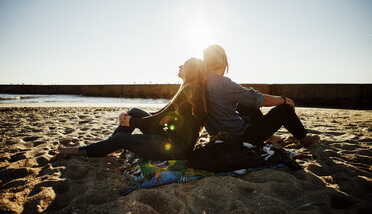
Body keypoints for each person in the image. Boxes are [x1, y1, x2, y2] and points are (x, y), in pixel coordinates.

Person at [58, 57, 207, 160]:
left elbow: (159, 119)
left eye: (184, 65)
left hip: (176, 149)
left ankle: (79, 150)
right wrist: (131, 119)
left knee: (119, 138)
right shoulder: (187, 89)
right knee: (135, 111)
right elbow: (161, 114)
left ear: (191, 70)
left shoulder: (190, 91)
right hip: (170, 138)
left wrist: (132, 122)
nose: (180, 66)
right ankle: (113, 145)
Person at [202, 44, 320, 146]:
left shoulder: (202, 82)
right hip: (241, 137)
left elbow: (247, 98)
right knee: (284, 110)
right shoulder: (223, 83)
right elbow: (259, 99)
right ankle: (303, 138)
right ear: (223, 60)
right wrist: (284, 100)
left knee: (245, 105)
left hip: (218, 134)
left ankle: (270, 137)